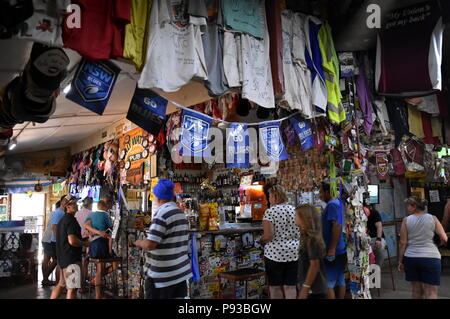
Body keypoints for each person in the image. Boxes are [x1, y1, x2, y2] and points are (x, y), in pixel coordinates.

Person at [133, 179, 192, 299]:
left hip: (162, 277)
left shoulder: (162, 214)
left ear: (158, 197)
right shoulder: (181, 214)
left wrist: (139, 243)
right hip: (179, 274)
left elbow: (150, 244)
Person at [398, 196, 448, 299]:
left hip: (411, 258)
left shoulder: (406, 220)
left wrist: (400, 261)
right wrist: (439, 244)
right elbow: (444, 237)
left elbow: (403, 243)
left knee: (416, 291)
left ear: (414, 206)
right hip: (431, 258)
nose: (407, 208)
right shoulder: (433, 218)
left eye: (409, 205)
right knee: (431, 292)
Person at [260, 185, 300, 299]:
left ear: (275, 196)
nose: (269, 198)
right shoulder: (294, 210)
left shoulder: (270, 212)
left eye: (270, 196)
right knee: (290, 286)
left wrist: (261, 240)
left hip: (275, 255)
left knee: (275, 286)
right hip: (294, 253)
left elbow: (268, 236)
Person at [50, 196, 90, 299]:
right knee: (72, 288)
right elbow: (72, 240)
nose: (76, 205)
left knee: (61, 284)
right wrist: (85, 244)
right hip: (71, 259)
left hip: (64, 258)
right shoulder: (70, 220)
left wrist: (82, 239)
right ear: (67, 207)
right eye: (74, 204)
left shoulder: (63, 220)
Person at [320, 181, 347, 299]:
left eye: (321, 192)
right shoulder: (337, 203)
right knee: (340, 279)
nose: (319, 195)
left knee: (328, 284)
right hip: (339, 249)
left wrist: (331, 249)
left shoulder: (332, 205)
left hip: (334, 251)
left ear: (327, 192)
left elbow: (336, 226)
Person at [295, 204, 328, 299]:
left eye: (296, 215)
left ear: (304, 218)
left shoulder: (311, 239)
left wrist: (305, 287)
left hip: (314, 289)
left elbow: (314, 264)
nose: (294, 218)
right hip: (312, 287)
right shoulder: (307, 237)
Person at [84, 200, 113, 299]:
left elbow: (86, 225)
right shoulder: (105, 215)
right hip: (102, 243)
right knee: (101, 269)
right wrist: (100, 232)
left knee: (99, 270)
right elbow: (110, 226)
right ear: (105, 207)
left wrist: (92, 231)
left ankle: (95, 281)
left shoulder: (92, 214)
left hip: (93, 244)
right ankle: (97, 294)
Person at [41, 201, 60, 286]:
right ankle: (45, 279)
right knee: (56, 260)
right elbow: (55, 228)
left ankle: (45, 279)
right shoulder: (59, 214)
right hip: (50, 239)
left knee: (46, 259)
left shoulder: (53, 213)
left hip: (45, 238)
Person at [363, 200, 386, 267]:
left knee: (378, 248)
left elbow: (379, 226)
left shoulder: (374, 213)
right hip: (366, 238)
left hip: (376, 237)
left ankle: (377, 269)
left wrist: (378, 239)